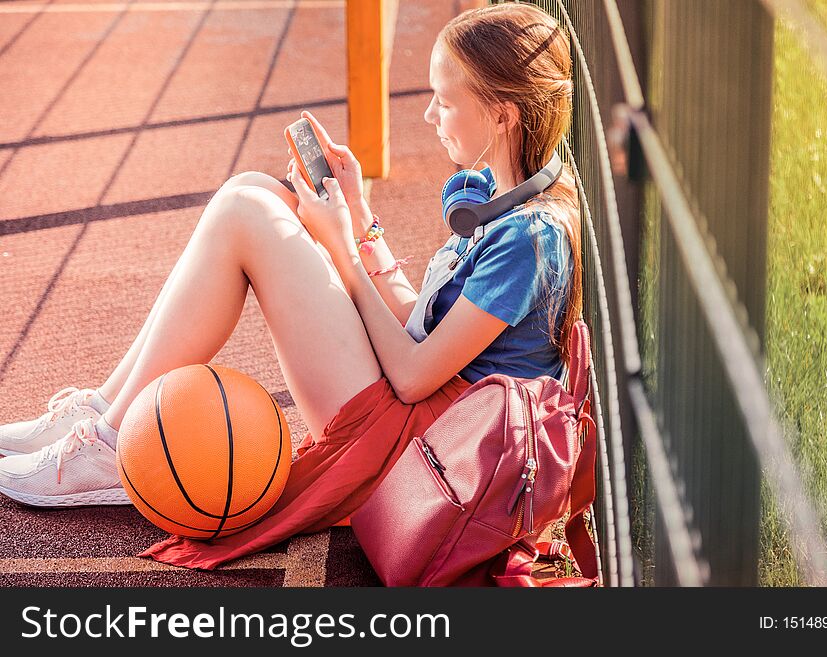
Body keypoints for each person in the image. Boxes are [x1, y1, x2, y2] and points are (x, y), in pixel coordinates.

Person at [0, 3, 584, 566]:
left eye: (444, 101)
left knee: (244, 216)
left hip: (428, 454)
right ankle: (105, 414)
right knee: (255, 191)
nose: (429, 115)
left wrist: (342, 251)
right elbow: (421, 322)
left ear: (504, 113)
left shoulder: (529, 240)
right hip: (429, 416)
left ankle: (107, 448)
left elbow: (411, 377)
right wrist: (358, 218)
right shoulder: (506, 200)